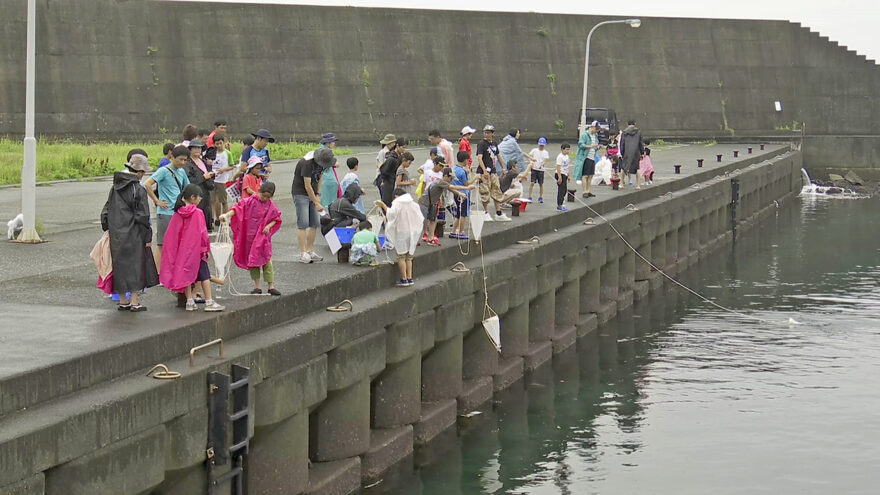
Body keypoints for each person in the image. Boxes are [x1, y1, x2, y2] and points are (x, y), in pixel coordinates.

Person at [99, 154, 159, 311]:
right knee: (136, 266)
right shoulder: (137, 189)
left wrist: (109, 228)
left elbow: (106, 211)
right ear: (139, 172)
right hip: (134, 233)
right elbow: (143, 215)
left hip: (117, 233)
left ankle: (123, 301)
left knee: (119, 265)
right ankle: (134, 302)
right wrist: (147, 235)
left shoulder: (115, 187)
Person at [159, 184, 225, 312]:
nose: (200, 200)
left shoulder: (178, 213)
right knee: (204, 275)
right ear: (193, 197)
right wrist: (205, 249)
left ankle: (189, 301)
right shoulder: (197, 213)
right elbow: (202, 233)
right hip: (197, 251)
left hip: (183, 252)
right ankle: (209, 301)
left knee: (186, 275)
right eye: (199, 197)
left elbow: (172, 235)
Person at [219, 181, 282, 295]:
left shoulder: (270, 205)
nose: (264, 199)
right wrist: (226, 215)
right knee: (253, 261)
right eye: (263, 196)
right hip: (250, 238)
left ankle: (271, 285)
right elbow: (237, 209)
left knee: (267, 260)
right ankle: (257, 286)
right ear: (259, 191)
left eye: (268, 197)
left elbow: (276, 218)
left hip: (262, 237)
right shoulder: (248, 202)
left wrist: (268, 226)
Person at [144, 145, 190, 266]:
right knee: (162, 244)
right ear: (172, 157)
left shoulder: (182, 171)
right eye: (180, 159)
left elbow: (188, 188)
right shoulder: (164, 170)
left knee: (177, 243)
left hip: (178, 212)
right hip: (165, 213)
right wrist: (157, 201)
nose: (183, 162)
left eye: (185, 160)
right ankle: (156, 273)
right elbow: (147, 184)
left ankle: (172, 270)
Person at [291, 147, 335, 264]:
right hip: (300, 193)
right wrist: (316, 202)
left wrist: (318, 195)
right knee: (303, 223)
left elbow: (320, 177)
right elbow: (307, 185)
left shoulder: (323, 164)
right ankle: (303, 253)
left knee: (314, 223)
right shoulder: (307, 162)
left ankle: (310, 251)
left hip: (313, 194)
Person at [374, 189, 424, 287]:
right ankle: (410, 278)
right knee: (409, 257)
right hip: (412, 232)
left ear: (396, 196)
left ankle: (404, 279)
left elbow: (391, 215)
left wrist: (383, 205)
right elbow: (420, 217)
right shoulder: (413, 203)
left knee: (401, 256)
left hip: (401, 232)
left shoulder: (397, 203)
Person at [420, 166, 472, 246]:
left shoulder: (442, 183)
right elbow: (453, 187)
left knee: (433, 220)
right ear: (445, 176)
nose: (451, 180)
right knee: (421, 221)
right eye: (450, 178)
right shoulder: (440, 182)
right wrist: (467, 188)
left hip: (430, 203)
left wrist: (459, 193)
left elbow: (450, 188)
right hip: (425, 203)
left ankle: (431, 238)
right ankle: (421, 237)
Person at [476, 125, 510, 221]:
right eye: (485, 132)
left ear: (493, 133)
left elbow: (498, 156)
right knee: (485, 192)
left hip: (493, 171)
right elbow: (479, 158)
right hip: (484, 172)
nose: (487, 134)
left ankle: (498, 213)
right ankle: (485, 212)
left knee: (496, 190)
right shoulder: (481, 144)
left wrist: (504, 168)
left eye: (489, 132)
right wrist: (484, 171)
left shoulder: (494, 143)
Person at [184, 139, 215, 230]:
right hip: (195, 194)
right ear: (190, 149)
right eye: (195, 148)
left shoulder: (203, 161)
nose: (197, 150)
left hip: (205, 192)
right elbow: (189, 180)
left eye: (199, 148)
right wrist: (203, 178)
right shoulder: (188, 164)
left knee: (205, 216)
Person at [450, 150, 477, 239]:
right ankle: (461, 232)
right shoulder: (462, 171)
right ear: (465, 160)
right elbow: (466, 183)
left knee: (458, 213)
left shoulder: (454, 169)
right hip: (464, 194)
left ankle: (453, 231)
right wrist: (475, 178)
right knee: (463, 214)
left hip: (456, 192)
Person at [211, 134, 235, 220]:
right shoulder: (212, 153)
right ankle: (216, 219)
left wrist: (224, 169)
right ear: (214, 144)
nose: (219, 146)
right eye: (217, 144)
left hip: (223, 180)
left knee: (224, 201)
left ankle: (225, 218)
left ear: (223, 142)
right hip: (213, 179)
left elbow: (232, 166)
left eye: (220, 143)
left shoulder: (227, 153)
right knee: (213, 201)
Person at [574, 121, 601, 197]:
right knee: (585, 175)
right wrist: (590, 146)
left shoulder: (595, 136)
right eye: (596, 129)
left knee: (591, 175)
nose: (597, 131)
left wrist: (598, 147)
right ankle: (584, 191)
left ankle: (588, 190)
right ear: (592, 127)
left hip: (593, 157)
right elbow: (580, 144)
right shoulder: (585, 135)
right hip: (586, 157)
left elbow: (595, 146)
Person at [380, 138, 407, 207]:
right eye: (403, 147)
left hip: (394, 183)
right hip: (389, 183)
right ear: (397, 146)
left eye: (405, 148)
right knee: (389, 203)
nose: (404, 150)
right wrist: (384, 181)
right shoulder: (391, 158)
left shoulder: (399, 157)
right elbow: (384, 170)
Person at [620, 119, 645, 189]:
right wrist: (642, 152)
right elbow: (640, 143)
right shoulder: (639, 132)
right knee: (637, 168)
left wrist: (622, 153)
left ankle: (621, 183)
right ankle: (638, 185)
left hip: (627, 152)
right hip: (636, 152)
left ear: (627, 123)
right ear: (635, 123)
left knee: (623, 167)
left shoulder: (624, 132)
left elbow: (622, 144)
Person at [528, 137, 550, 203]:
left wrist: (542, 164)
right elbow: (529, 156)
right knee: (532, 183)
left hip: (541, 170)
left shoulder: (546, 152)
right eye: (540, 145)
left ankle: (540, 197)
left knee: (541, 184)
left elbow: (545, 160)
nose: (541, 146)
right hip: (534, 169)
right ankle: (530, 196)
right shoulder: (534, 150)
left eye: (542, 145)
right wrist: (531, 161)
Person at [555, 143, 572, 212]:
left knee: (564, 189)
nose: (568, 151)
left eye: (569, 149)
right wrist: (559, 177)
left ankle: (561, 203)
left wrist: (569, 175)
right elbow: (558, 167)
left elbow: (567, 166)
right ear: (562, 149)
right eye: (566, 149)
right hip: (560, 174)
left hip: (565, 174)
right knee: (561, 190)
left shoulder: (567, 157)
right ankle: (559, 205)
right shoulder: (560, 157)